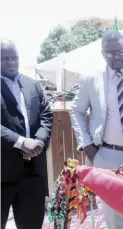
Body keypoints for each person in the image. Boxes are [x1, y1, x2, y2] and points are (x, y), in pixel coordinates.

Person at [70, 30, 123, 229]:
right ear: (102, 53)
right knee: (114, 218)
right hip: (107, 155)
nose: (116, 56)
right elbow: (76, 111)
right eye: (111, 53)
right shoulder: (91, 78)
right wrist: (87, 144)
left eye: (121, 51)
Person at [1, 39, 53, 229]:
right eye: (5, 58)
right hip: (3, 173)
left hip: (33, 174)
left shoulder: (33, 85)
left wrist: (38, 142)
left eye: (14, 58)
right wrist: (21, 142)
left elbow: (47, 115)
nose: (11, 62)